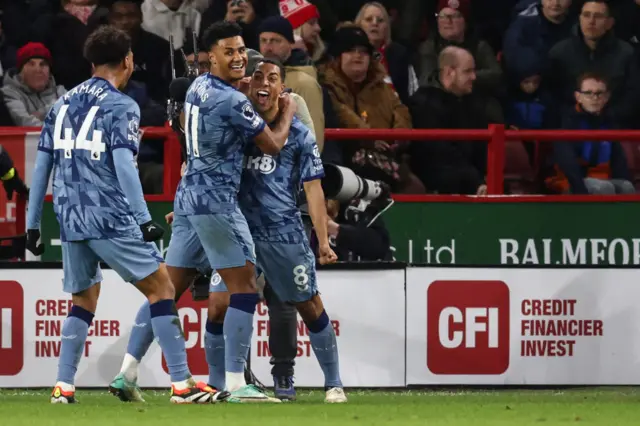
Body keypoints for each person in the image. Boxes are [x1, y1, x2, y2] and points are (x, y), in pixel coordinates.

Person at [24, 26, 227, 405]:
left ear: (91, 61)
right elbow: (124, 166)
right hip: (109, 215)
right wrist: (143, 217)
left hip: (69, 216)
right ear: (128, 60)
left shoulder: (61, 104)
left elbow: (41, 169)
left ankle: (62, 387)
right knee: (162, 289)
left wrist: (33, 224)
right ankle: (181, 385)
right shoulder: (121, 106)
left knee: (83, 299)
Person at [166, 21, 295, 402]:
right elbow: (271, 145)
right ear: (211, 55)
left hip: (189, 198)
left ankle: (147, 374)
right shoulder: (233, 100)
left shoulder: (196, 87)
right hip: (218, 202)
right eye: (230, 51)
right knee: (244, 286)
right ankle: (237, 383)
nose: (239, 57)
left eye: (242, 50)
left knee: (165, 291)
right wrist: (285, 109)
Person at [224, 58, 347, 403]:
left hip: (283, 233)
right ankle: (230, 383)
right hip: (239, 231)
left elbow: (313, 189)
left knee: (308, 305)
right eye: (257, 77)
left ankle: (332, 382)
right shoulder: (236, 127)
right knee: (224, 302)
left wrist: (323, 240)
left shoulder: (299, 135)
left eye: (272, 78)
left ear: (282, 89)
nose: (264, 83)